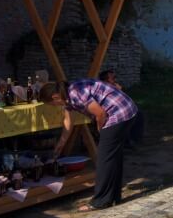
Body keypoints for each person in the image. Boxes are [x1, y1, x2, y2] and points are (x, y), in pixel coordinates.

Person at [40, 79, 138, 211]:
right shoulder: (68, 96)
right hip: (126, 109)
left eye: (53, 104)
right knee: (113, 156)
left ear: (55, 97)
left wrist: (100, 129)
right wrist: (61, 144)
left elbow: (100, 113)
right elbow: (69, 122)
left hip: (119, 112)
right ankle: (113, 196)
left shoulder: (75, 94)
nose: (56, 106)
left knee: (104, 159)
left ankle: (100, 201)